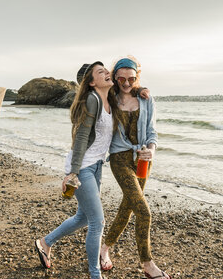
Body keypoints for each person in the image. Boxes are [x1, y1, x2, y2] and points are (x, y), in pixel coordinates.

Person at [35, 61, 115, 279]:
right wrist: (73, 172)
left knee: (82, 217)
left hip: (96, 165)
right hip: (83, 167)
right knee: (97, 222)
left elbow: (131, 88)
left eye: (106, 69)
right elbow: (81, 136)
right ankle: (95, 274)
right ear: (91, 82)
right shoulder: (93, 99)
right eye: (101, 72)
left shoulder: (110, 99)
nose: (107, 72)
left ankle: (45, 242)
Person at [99, 57, 171, 279]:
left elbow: (152, 132)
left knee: (128, 207)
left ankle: (103, 248)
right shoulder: (108, 98)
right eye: (121, 78)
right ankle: (148, 264)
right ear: (115, 76)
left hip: (143, 160)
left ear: (137, 77)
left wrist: (152, 150)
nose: (127, 83)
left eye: (132, 78)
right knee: (144, 211)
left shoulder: (146, 99)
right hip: (119, 158)